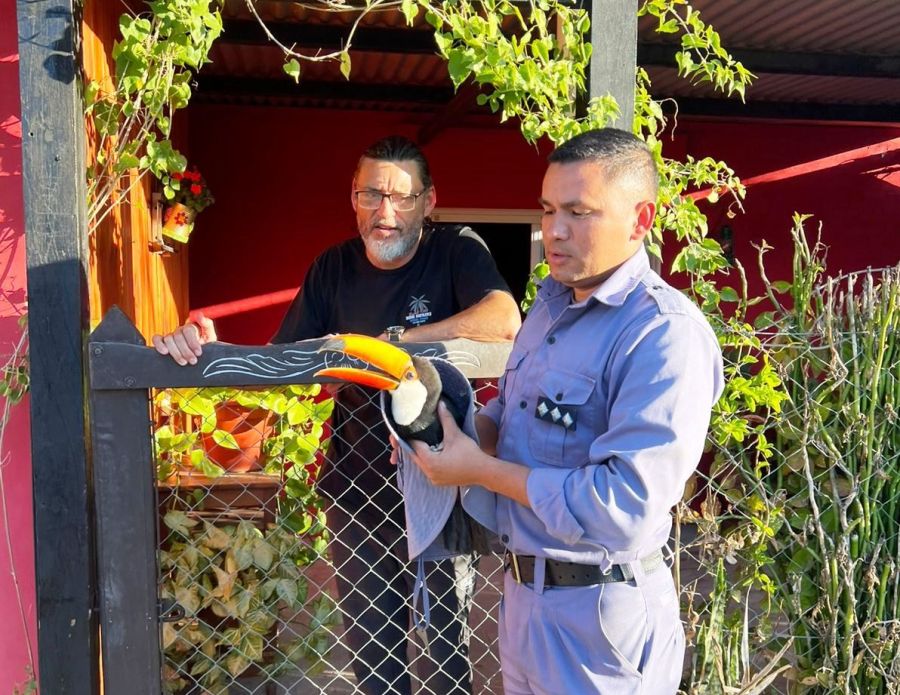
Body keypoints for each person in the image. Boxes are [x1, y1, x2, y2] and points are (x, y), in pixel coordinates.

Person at [153, 135, 521, 695]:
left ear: (428, 202)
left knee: (447, 657)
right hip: (358, 486)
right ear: (353, 199)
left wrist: (394, 342)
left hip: (440, 481)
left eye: (402, 197)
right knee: (374, 661)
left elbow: (503, 318)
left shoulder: (456, 250)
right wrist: (209, 349)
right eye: (371, 195)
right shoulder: (333, 269)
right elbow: (279, 363)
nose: (385, 212)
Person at [401, 128, 724, 694]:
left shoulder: (662, 334)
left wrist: (478, 470)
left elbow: (623, 504)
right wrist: (450, 433)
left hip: (600, 620)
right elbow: (510, 416)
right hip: (523, 602)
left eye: (579, 212)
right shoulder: (549, 307)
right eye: (549, 209)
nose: (553, 230)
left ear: (640, 220)